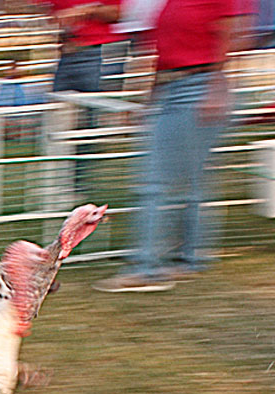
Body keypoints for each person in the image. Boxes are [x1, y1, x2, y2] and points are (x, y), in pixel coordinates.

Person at [93, 0, 255, 292]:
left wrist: (217, 88)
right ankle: (190, 260)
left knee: (156, 182)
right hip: (173, 87)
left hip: (199, 85)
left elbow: (234, 35)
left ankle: (147, 268)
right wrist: (150, 98)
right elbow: (161, 51)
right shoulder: (167, 3)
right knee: (192, 182)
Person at [43, 0, 122, 193]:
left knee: (87, 122)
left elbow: (117, 14)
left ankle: (78, 183)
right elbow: (53, 16)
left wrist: (87, 11)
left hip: (97, 52)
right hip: (69, 54)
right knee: (57, 117)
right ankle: (56, 183)